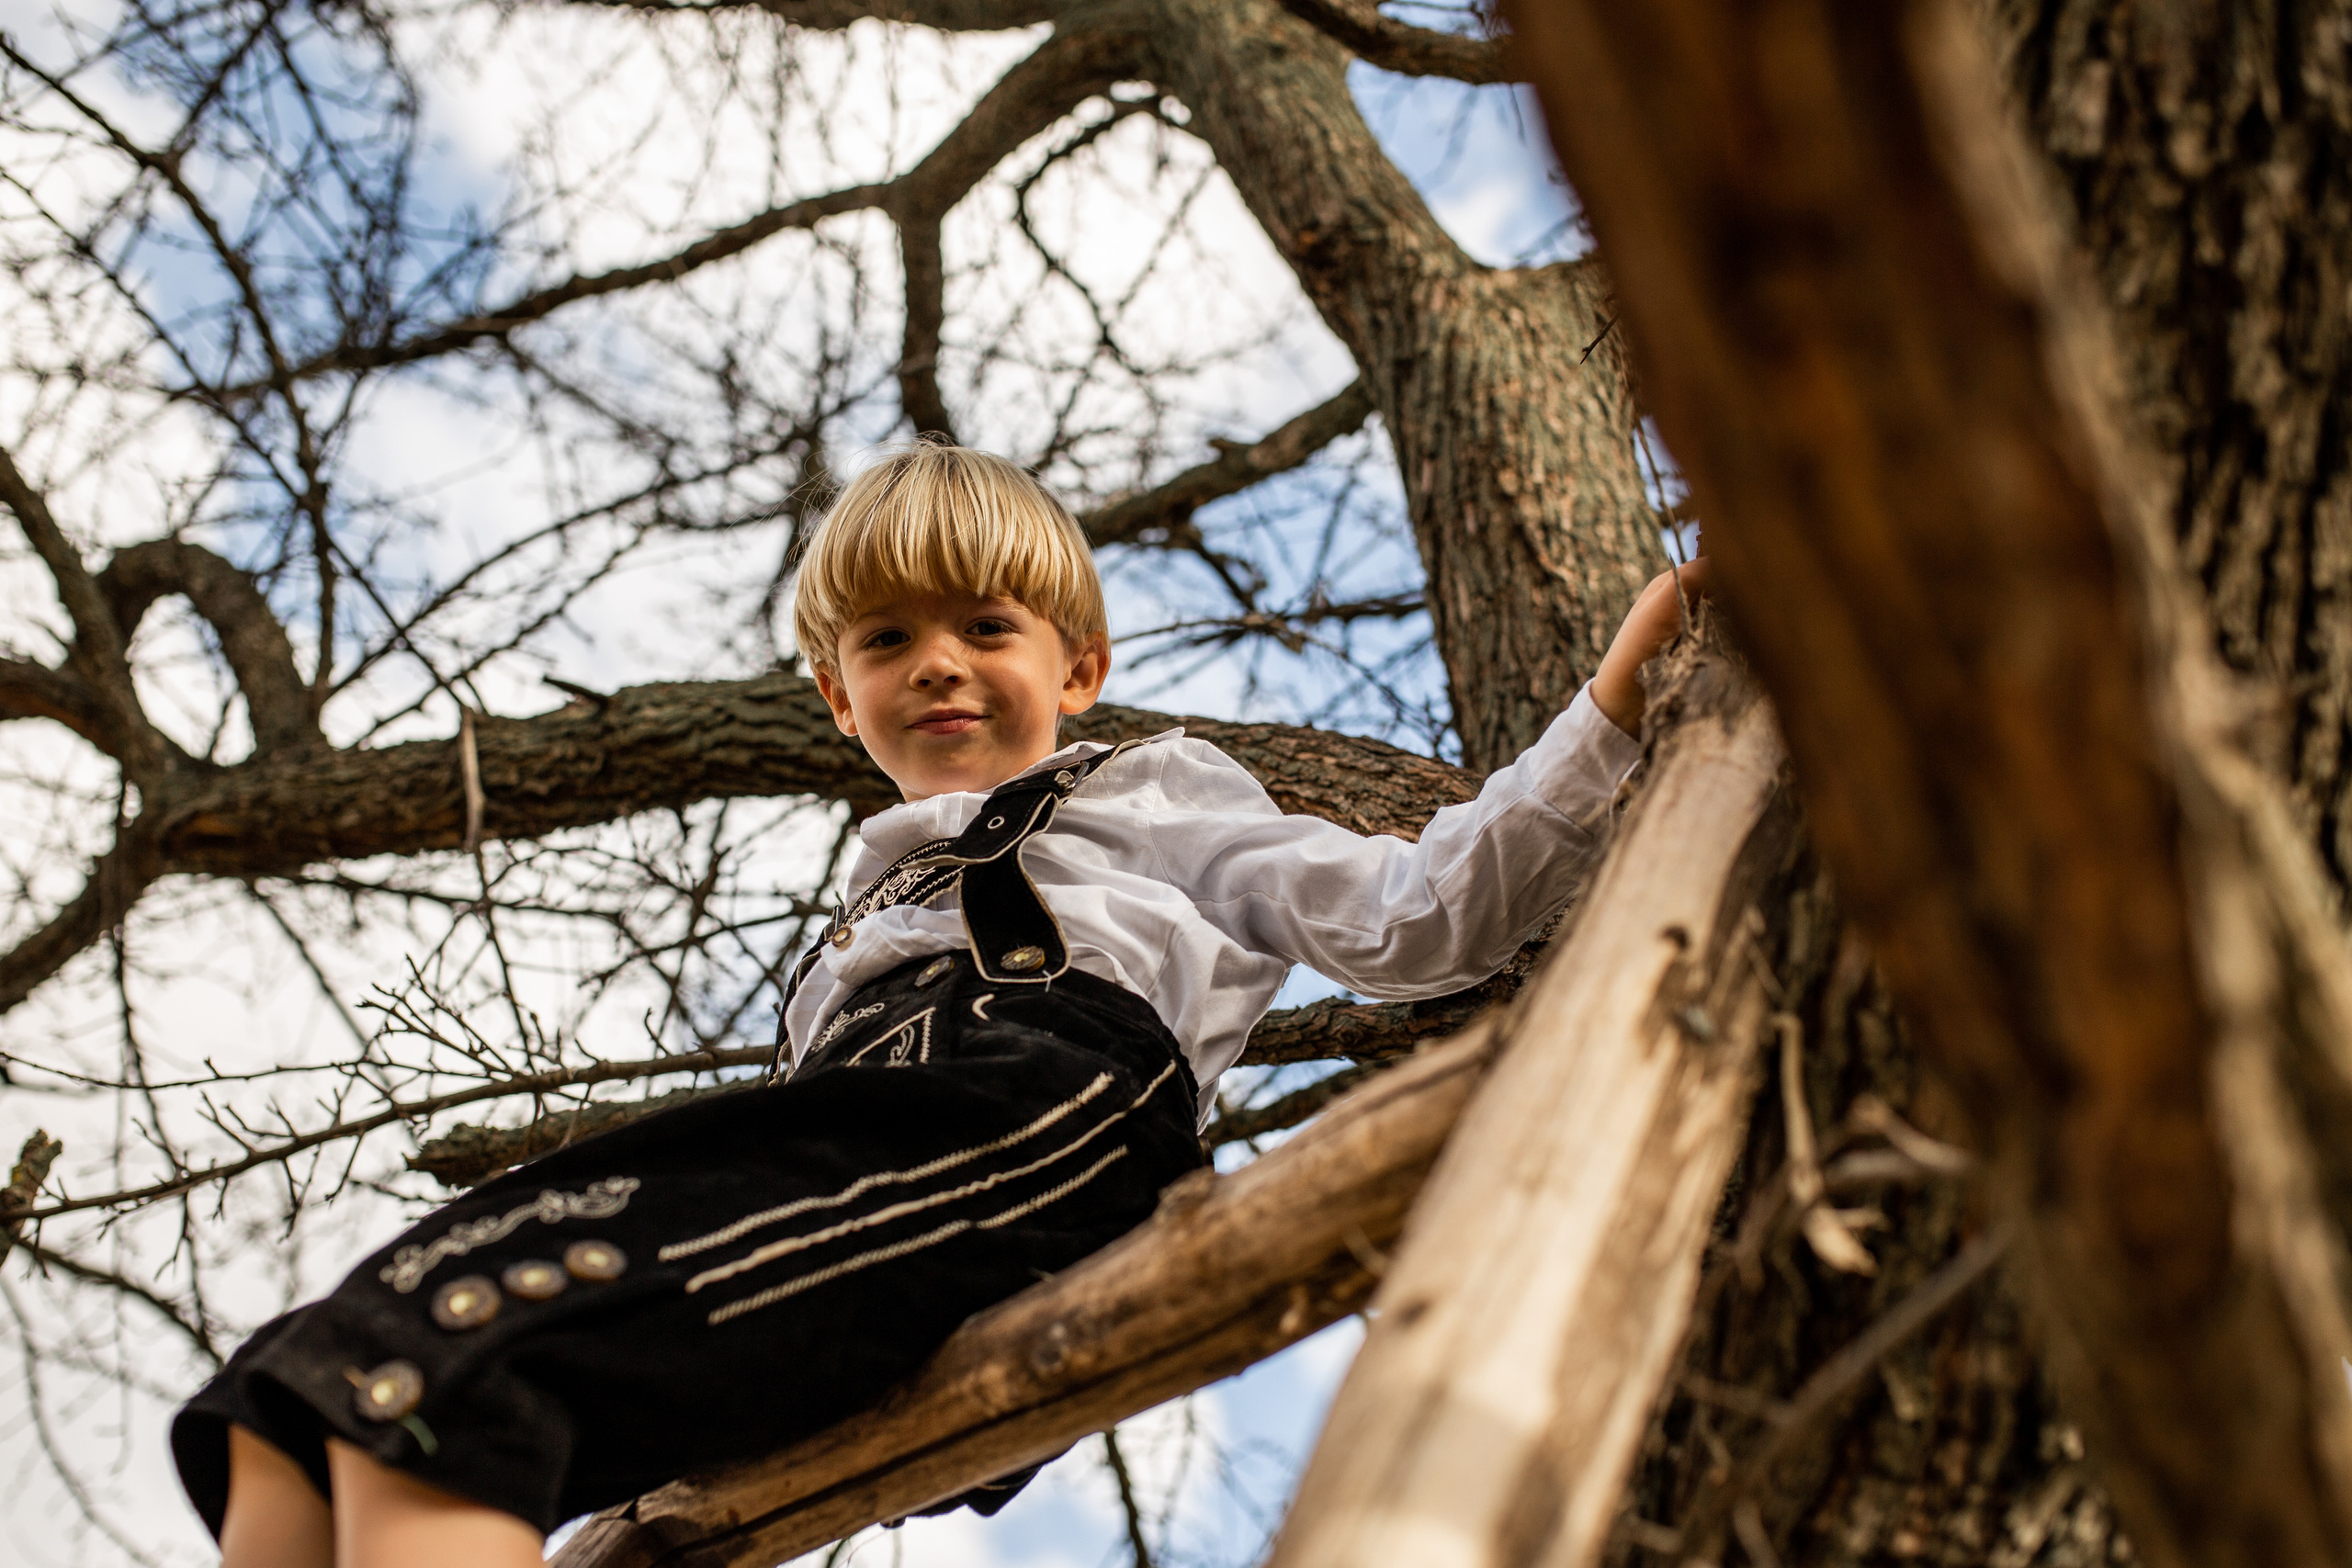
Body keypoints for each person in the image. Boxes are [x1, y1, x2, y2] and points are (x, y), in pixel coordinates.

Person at [174, 442, 1709, 1568]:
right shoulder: (859, 920)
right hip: (874, 1174)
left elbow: (1422, 917)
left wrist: (1614, 712)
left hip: (1033, 1130)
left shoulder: (1141, 795)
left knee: (461, 1360)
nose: (942, 668)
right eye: (889, 642)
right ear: (839, 702)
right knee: (299, 1395)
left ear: (1081, 666)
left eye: (987, 627)